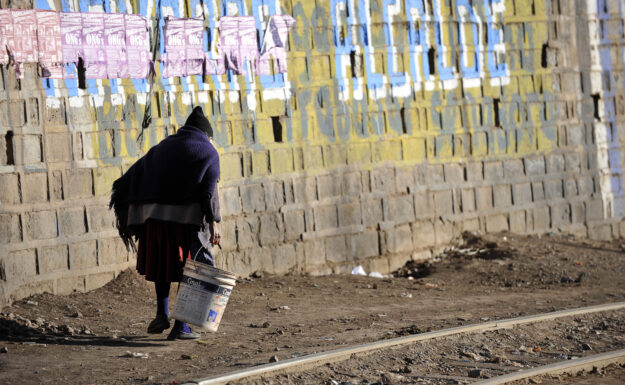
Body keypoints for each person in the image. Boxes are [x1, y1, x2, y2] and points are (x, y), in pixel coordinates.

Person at [109, 106, 221, 340]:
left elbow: (136, 172)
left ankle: (162, 313)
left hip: (155, 221)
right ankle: (181, 326)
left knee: (163, 264)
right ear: (206, 135)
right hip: (184, 223)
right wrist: (213, 222)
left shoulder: (163, 147)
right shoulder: (208, 152)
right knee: (189, 269)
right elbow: (209, 192)